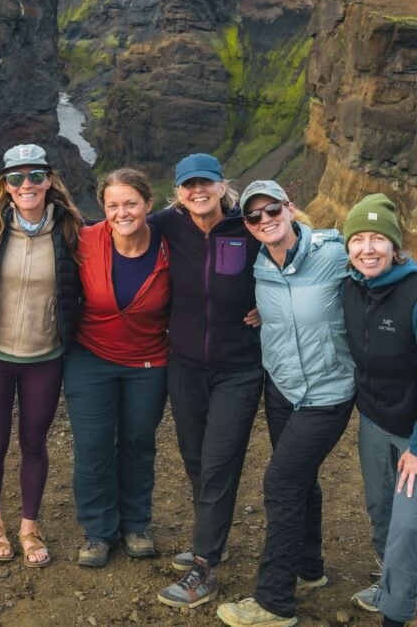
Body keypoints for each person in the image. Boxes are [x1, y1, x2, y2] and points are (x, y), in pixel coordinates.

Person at [217, 179, 355, 627]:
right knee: (300, 481)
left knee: (280, 482)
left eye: (272, 210)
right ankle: (309, 569)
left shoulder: (333, 254)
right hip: (282, 389)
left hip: (328, 394)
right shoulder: (258, 265)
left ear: (290, 209)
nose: (264, 220)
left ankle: (274, 602)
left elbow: (379, 271)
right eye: (253, 216)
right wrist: (260, 315)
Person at [147, 154, 262, 609]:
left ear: (221, 186)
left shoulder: (246, 227)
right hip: (186, 364)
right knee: (194, 456)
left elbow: (291, 249)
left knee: (217, 462)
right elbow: (119, 221)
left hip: (239, 368)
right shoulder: (168, 225)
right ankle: (213, 537)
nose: (198, 191)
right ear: (178, 191)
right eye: (188, 185)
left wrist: (268, 308)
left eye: (206, 183)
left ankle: (206, 565)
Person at [0, 143, 82, 568]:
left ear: (49, 180)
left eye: (35, 175)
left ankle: (29, 527)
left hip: (44, 356)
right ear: (5, 185)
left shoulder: (70, 229)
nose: (26, 184)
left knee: (34, 444)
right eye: (17, 177)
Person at [64, 168, 170, 568]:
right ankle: (98, 531)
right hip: (90, 358)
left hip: (149, 360)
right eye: (112, 205)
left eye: (130, 203)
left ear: (148, 204)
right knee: (93, 447)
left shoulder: (169, 244)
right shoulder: (86, 239)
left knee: (138, 442)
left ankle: (136, 525)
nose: (122, 212)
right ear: (102, 208)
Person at [342, 194, 417, 627]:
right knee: (381, 511)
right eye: (359, 239)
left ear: (395, 245)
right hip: (372, 419)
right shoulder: (349, 285)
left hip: (412, 429)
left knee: (408, 525)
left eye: (378, 239)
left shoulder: (413, 291)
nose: (368, 248)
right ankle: (393, 582)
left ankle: (394, 613)